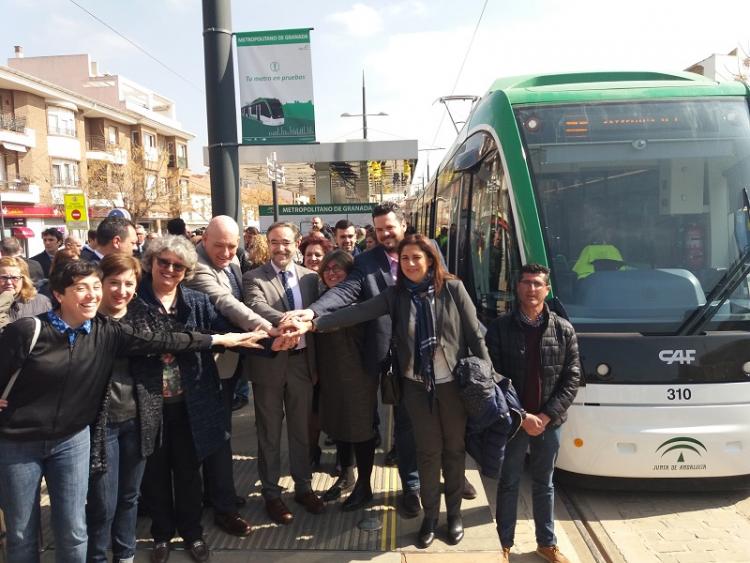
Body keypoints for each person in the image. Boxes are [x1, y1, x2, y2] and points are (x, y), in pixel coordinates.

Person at [0, 260, 265, 563]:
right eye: (81, 288)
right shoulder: (29, 331)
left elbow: (166, 339)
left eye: (95, 287)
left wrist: (219, 339)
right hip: (20, 441)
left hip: (71, 441)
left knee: (74, 530)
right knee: (22, 533)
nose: (91, 295)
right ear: (59, 294)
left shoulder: (106, 331)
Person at [313, 234, 488, 548]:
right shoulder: (395, 296)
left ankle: (455, 515)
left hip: (453, 388)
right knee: (428, 454)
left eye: (416, 258)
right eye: (404, 259)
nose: (409, 264)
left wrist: (486, 383)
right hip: (416, 388)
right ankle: (431, 519)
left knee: (454, 451)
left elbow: (476, 337)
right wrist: (313, 321)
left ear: (430, 260)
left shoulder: (453, 289)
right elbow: (358, 311)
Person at [134, 235, 276, 561]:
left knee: (188, 474)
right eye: (164, 262)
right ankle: (161, 536)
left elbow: (225, 333)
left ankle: (192, 533)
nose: (170, 269)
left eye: (178, 266)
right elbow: (184, 340)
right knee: (155, 475)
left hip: (190, 403)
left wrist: (268, 343)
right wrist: (217, 338)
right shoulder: (135, 301)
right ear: (151, 263)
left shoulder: (196, 301)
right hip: (149, 405)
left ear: (186, 271)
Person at [284, 201, 422, 518]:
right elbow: (347, 292)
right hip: (381, 350)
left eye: (391, 227)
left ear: (403, 224)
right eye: (380, 228)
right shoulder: (368, 261)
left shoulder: (422, 251)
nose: (386, 234)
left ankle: (411, 487)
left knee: (410, 424)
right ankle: (368, 480)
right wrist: (313, 311)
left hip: (421, 354)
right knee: (378, 420)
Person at [184, 215, 293, 536]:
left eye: (233, 246)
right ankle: (223, 507)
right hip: (206, 365)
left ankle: (216, 494)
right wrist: (268, 329)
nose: (228, 252)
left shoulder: (231, 264)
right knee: (216, 435)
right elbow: (227, 303)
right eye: (220, 245)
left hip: (229, 363)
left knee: (220, 431)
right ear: (204, 239)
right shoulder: (197, 267)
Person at [485, 263, 581, 563]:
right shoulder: (500, 328)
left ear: (547, 289)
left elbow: (572, 376)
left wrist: (547, 416)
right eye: (526, 283)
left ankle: (546, 543)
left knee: (544, 483)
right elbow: (492, 375)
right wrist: (522, 415)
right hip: (515, 422)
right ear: (517, 287)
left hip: (549, 423)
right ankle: (504, 542)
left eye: (538, 284)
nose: (532, 289)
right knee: (509, 481)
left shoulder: (563, 329)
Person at [242, 222, 323, 524]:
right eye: (274, 242)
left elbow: (319, 315)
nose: (280, 248)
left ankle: (303, 487)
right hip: (269, 365)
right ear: (268, 243)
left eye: (286, 242)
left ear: (297, 243)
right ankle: (272, 494)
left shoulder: (311, 278)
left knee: (301, 430)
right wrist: (289, 320)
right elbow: (256, 306)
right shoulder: (253, 278)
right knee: (269, 433)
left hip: (302, 363)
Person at [85, 253, 143, 563]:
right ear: (101, 284)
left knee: (130, 497)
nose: (122, 291)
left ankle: (125, 554)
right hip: (101, 424)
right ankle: (96, 557)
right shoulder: (87, 321)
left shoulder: (141, 316)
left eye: (129, 284)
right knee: (102, 502)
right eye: (114, 283)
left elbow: (176, 339)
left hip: (138, 419)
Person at [314, 250, 378, 511]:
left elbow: (331, 324)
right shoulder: (321, 300)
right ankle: (346, 475)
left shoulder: (359, 302)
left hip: (358, 376)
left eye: (337, 268)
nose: (331, 273)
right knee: (339, 426)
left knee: (361, 430)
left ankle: (365, 485)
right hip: (331, 377)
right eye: (327, 269)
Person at [0, 257, 51, 327]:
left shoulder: (41, 302)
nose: (9, 282)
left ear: (23, 280)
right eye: (4, 278)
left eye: (14, 278)